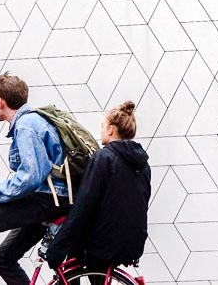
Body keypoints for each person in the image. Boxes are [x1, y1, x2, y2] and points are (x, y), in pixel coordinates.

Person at [0, 72, 69, 285]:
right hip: (51, 200)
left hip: (47, 200)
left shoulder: (26, 126)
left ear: (1, 101)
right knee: (3, 259)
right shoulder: (32, 121)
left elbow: (31, 176)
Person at [44, 100, 151, 280]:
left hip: (102, 243)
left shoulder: (104, 157)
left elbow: (84, 205)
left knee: (70, 256)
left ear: (111, 129)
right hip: (131, 241)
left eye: (102, 126)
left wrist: (58, 247)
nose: (100, 131)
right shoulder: (143, 164)